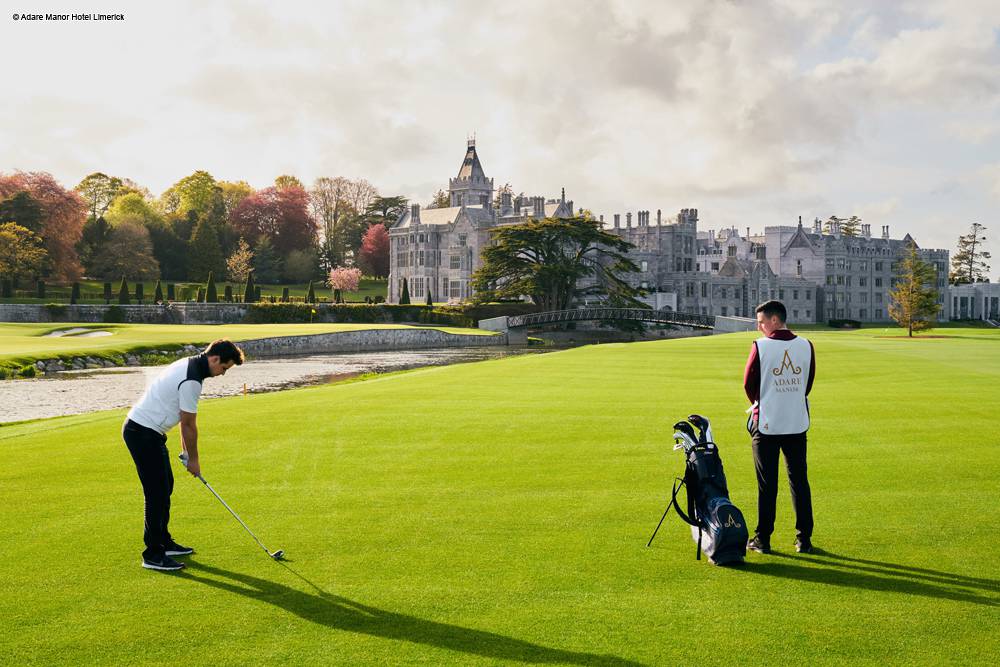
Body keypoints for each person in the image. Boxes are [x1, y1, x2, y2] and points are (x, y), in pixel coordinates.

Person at [122, 339, 244, 571]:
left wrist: (186, 452)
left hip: (149, 432)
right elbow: (188, 425)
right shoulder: (192, 379)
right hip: (141, 432)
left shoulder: (191, 365)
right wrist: (194, 460)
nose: (222, 374)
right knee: (156, 493)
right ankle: (153, 554)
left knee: (165, 486)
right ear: (214, 359)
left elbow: (182, 418)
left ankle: (164, 542)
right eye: (224, 368)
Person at [743, 300, 815, 554]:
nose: (759, 327)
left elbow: (748, 384)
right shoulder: (806, 345)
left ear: (774, 320)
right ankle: (804, 539)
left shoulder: (760, 346)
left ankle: (763, 539)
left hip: (767, 423)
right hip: (796, 422)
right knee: (799, 481)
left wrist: (763, 401)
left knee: (767, 484)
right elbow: (807, 383)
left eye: (761, 322)